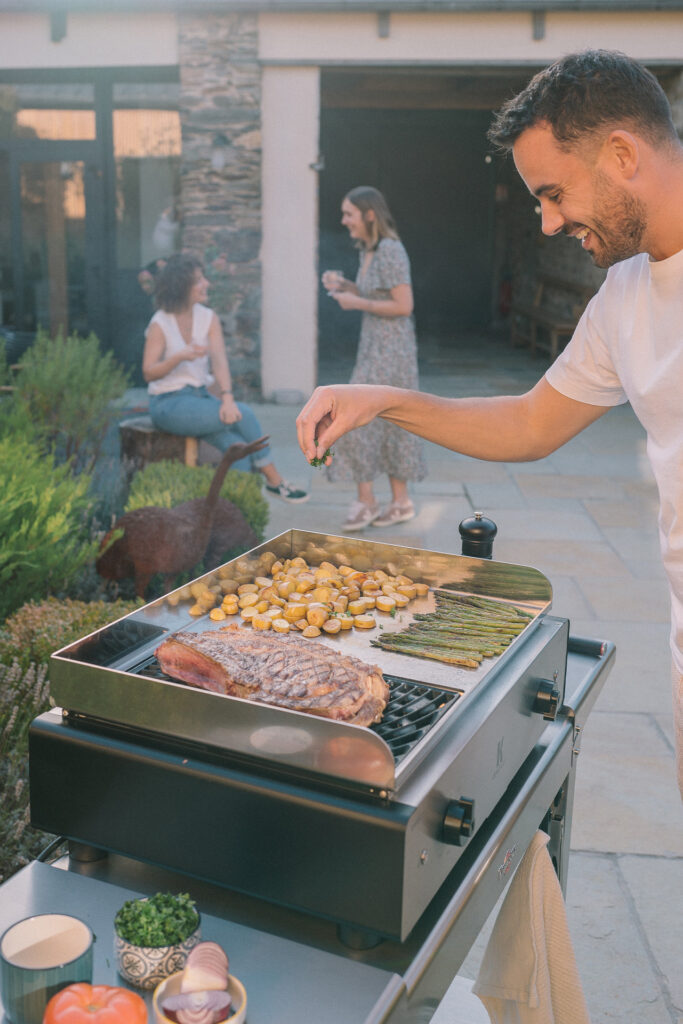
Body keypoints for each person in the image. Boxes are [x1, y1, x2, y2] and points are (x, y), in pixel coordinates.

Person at [297, 50, 683, 799]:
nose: (545, 222)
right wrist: (381, 397)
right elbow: (529, 423)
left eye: (552, 193)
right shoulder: (623, 296)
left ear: (620, 155)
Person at [143, 253, 308, 503]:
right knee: (247, 415)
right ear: (181, 286)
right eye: (198, 280)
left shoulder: (207, 318)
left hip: (200, 399)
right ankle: (275, 480)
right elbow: (148, 372)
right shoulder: (161, 323)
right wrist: (179, 356)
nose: (206, 284)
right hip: (168, 404)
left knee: (237, 450)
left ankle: (235, 513)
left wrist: (228, 398)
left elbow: (219, 361)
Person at [320, 185, 426, 531]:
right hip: (374, 346)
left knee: (361, 415)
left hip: (392, 351)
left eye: (349, 213)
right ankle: (400, 502)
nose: (343, 220)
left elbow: (404, 305)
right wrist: (346, 286)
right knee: (384, 418)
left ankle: (370, 502)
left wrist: (357, 303)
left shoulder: (391, 250)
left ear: (369, 215)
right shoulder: (368, 250)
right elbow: (373, 293)